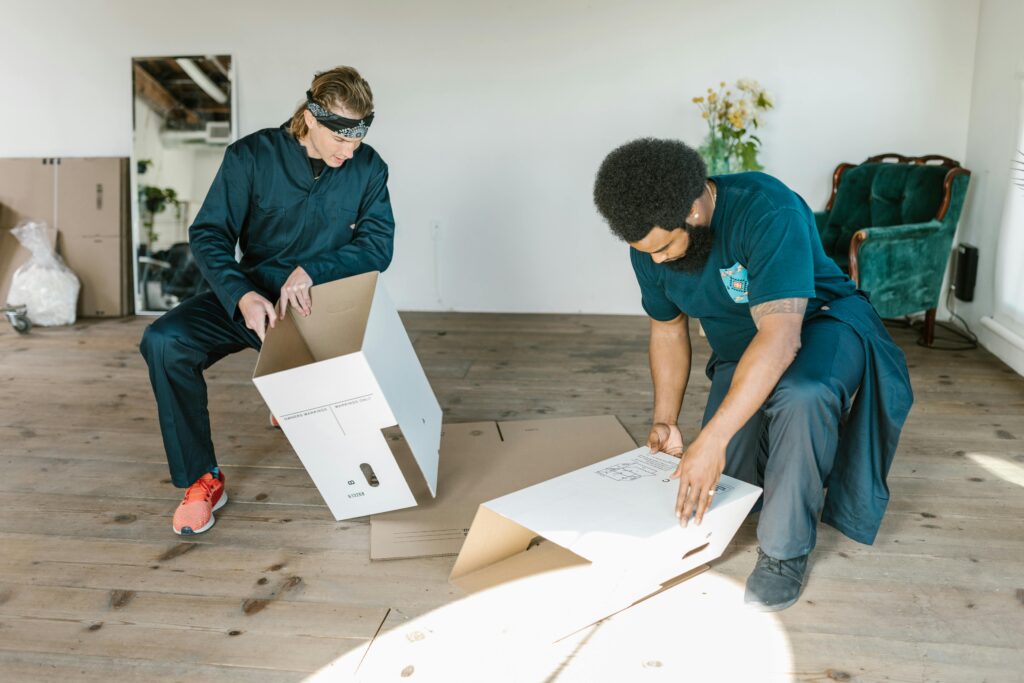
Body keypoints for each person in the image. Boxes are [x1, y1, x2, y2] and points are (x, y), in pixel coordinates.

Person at [592, 138, 913, 611]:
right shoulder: (648, 247)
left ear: (694, 208)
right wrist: (667, 422)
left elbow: (781, 339)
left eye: (663, 247)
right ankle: (795, 466)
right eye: (646, 252)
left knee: (801, 394)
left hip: (822, 320)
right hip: (742, 344)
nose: (655, 259)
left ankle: (785, 552)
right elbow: (667, 331)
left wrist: (714, 438)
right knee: (736, 481)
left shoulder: (767, 210)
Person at [140, 66, 395, 536]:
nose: (350, 150)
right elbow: (209, 233)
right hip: (253, 295)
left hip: (317, 305)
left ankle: (288, 384)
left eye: (358, 138)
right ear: (311, 119)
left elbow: (379, 247)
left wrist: (315, 270)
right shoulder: (250, 157)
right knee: (164, 340)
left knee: (348, 405)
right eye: (341, 138)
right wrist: (241, 296)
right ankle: (202, 478)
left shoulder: (369, 167)